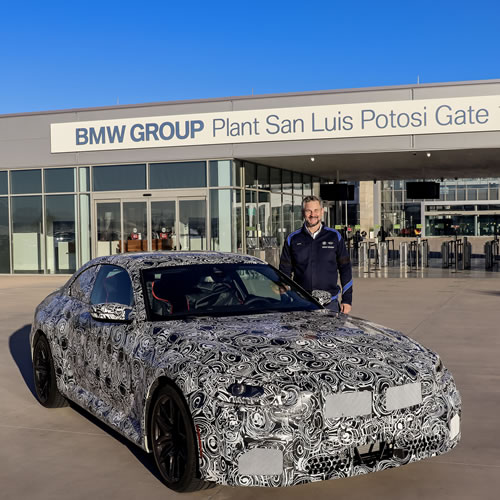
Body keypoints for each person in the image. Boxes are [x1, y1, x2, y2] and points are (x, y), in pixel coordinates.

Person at [279, 195, 352, 314]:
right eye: (308, 211)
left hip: (330, 304)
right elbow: (284, 272)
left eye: (316, 210)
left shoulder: (335, 237)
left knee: (330, 333)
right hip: (301, 304)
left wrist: (347, 300)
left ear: (322, 212)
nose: (313, 214)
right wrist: (285, 297)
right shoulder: (292, 239)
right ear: (303, 213)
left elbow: (346, 269)